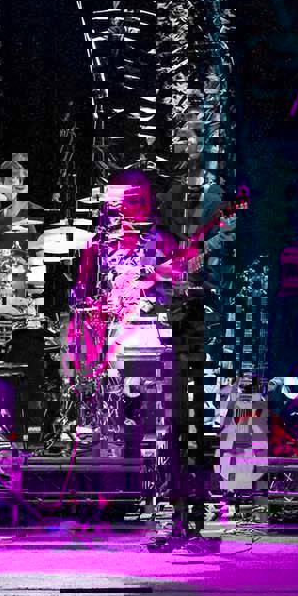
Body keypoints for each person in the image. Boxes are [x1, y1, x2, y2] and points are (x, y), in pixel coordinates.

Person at [69, 169, 202, 550]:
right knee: (109, 435)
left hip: (153, 347)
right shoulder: (99, 247)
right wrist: (96, 305)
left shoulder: (160, 242)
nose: (134, 207)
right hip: (111, 353)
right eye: (127, 200)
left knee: (159, 437)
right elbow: (80, 292)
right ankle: (113, 511)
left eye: (141, 199)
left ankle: (168, 521)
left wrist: (165, 280)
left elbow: (190, 272)